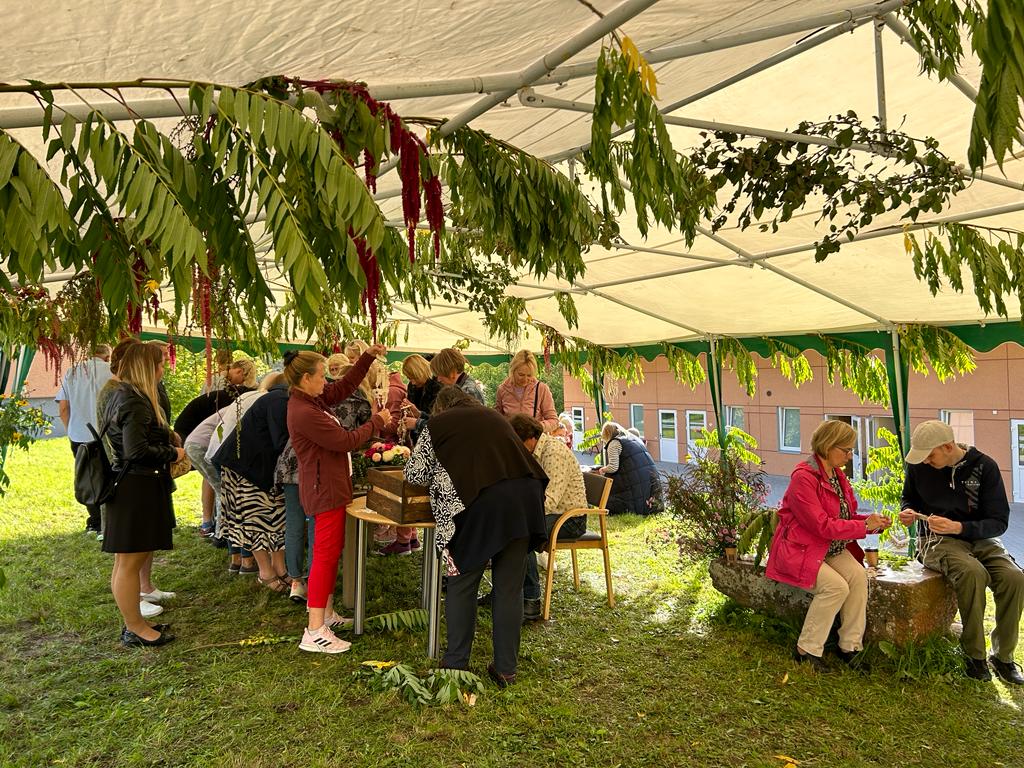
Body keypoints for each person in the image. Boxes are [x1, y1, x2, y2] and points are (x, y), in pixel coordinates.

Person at [404, 386, 547, 686]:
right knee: (509, 589)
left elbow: (414, 475)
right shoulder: (494, 417)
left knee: (461, 585)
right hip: (523, 502)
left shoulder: (437, 425)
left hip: (477, 509)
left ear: (441, 407)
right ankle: (506, 669)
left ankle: (456, 663)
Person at [899, 420, 1024, 684]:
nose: (925, 462)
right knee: (972, 572)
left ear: (948, 446)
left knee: (1014, 578)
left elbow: (999, 522)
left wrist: (959, 526)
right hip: (935, 539)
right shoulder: (918, 465)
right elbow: (908, 497)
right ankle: (974, 656)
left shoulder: (985, 467)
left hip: (980, 539)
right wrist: (908, 512)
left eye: (930, 455)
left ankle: (1003, 657)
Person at [286, 346, 391, 654]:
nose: (326, 381)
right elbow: (346, 441)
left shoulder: (310, 400)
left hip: (328, 487)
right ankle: (315, 630)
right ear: (306, 378)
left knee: (330, 553)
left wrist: (367, 358)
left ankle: (326, 613)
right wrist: (377, 421)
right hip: (324, 491)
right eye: (321, 376)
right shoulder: (304, 411)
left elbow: (343, 387)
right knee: (324, 556)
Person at [766, 420, 890, 671]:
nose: (849, 455)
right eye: (845, 450)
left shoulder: (836, 474)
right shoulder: (804, 478)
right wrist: (864, 526)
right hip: (800, 550)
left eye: (850, 450)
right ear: (827, 446)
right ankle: (806, 649)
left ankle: (850, 646)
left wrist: (871, 522)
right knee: (835, 588)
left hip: (827, 548)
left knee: (857, 577)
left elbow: (842, 519)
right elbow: (821, 525)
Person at [101, 343, 184, 647]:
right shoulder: (133, 400)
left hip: (132, 486)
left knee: (126, 562)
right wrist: (172, 452)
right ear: (147, 368)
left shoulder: (123, 395)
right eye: (160, 363)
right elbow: (136, 451)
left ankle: (135, 623)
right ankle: (135, 628)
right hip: (136, 487)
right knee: (129, 563)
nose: (164, 368)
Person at [213, 372, 291, 592]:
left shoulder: (278, 398)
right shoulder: (279, 400)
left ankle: (280, 568)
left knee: (276, 518)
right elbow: (281, 441)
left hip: (261, 468)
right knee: (256, 520)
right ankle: (265, 573)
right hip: (245, 469)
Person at [508, 414, 588, 621]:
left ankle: (531, 601)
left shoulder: (553, 454)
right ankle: (510, 594)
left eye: (517, 443)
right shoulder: (536, 451)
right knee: (510, 528)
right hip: (555, 513)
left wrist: (520, 514)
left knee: (521, 534)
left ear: (530, 438)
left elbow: (550, 500)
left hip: (570, 519)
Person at [174, 358, 257, 537]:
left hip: (196, 439)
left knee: (218, 483)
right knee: (223, 488)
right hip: (195, 440)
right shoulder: (236, 398)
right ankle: (221, 533)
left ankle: (215, 526)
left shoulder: (233, 394)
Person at [56, 343, 112, 535]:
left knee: (87, 478)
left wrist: (70, 429)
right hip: (106, 434)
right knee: (108, 475)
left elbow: (63, 408)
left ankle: (95, 522)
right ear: (107, 357)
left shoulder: (72, 371)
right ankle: (109, 521)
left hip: (79, 434)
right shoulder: (112, 371)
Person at [597, 422, 662, 515]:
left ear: (606, 434)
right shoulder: (634, 439)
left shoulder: (614, 443)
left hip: (633, 481)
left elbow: (613, 467)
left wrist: (603, 470)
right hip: (650, 478)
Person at [495, 350, 558, 432]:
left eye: (529, 375)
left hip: (533, 441)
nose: (525, 379)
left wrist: (538, 427)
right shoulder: (502, 389)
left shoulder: (541, 389)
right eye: (521, 375)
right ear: (513, 371)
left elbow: (554, 420)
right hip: (510, 440)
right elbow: (497, 418)